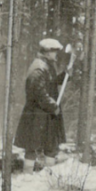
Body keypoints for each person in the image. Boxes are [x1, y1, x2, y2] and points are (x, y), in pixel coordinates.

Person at [14, 39, 67, 173]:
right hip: (37, 114)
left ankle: (49, 177)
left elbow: (51, 82)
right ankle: (27, 176)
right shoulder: (38, 67)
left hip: (46, 114)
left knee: (50, 146)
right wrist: (53, 106)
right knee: (32, 146)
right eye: (54, 52)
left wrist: (66, 75)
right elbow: (38, 93)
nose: (56, 55)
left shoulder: (47, 66)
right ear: (47, 52)